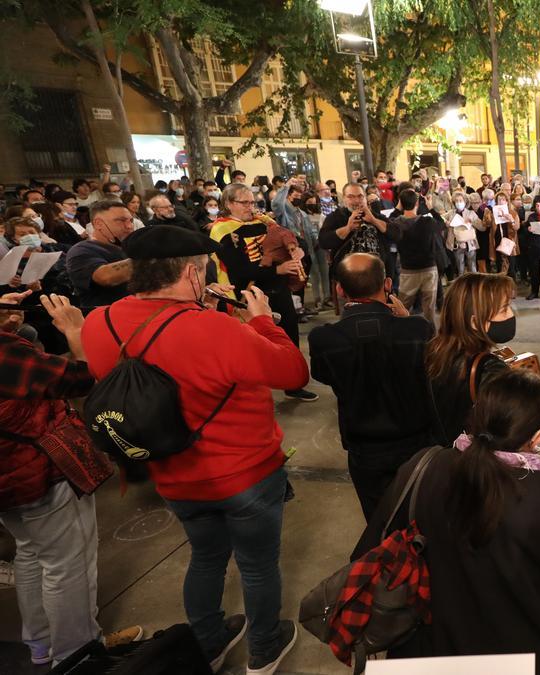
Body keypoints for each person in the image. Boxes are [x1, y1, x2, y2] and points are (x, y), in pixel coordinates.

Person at [80, 225, 310, 674]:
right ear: (190, 273)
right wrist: (261, 319)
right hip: (244, 472)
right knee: (258, 564)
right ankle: (264, 648)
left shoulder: (98, 323)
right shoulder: (216, 328)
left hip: (172, 473)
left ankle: (207, 644)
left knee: (205, 557)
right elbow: (292, 372)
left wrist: (198, 311)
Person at [354, 370, 540, 674]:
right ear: (537, 436)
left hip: (438, 651)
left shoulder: (425, 466)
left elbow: (372, 547)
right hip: (533, 656)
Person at [0, 290, 144, 667]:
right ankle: (79, 655)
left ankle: (42, 643)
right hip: (36, 472)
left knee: (32, 553)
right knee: (69, 563)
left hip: (9, 482)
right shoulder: (5, 353)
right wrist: (74, 330)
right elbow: (84, 377)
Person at [309, 253, 437, 520]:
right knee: (422, 514)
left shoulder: (324, 338)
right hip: (417, 443)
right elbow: (434, 368)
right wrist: (405, 321)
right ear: (388, 284)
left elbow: (324, 375)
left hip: (364, 447)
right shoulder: (416, 329)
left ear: (340, 289)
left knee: (379, 519)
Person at [210, 184, 318, 402]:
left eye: (253, 202)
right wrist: (277, 269)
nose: (251, 207)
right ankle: (255, 391)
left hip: (277, 288)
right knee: (253, 342)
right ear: (229, 204)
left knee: (288, 334)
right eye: (245, 203)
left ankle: (293, 382)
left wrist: (297, 248)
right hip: (246, 294)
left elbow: (290, 237)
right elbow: (238, 270)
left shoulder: (263, 222)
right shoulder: (222, 230)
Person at [425, 273, 516, 445]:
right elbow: (510, 432)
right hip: (476, 464)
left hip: (443, 456)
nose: (511, 314)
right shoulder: (489, 368)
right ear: (475, 323)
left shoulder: (435, 351)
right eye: (504, 309)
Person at [64, 200, 133, 312]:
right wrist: (151, 258)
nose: (129, 226)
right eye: (121, 221)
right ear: (98, 224)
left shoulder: (131, 247)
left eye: (131, 220)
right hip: (107, 317)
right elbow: (105, 277)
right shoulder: (82, 250)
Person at [390, 188, 444, 325]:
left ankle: (400, 335)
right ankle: (430, 336)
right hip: (429, 269)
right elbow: (442, 224)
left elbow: (387, 223)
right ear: (417, 204)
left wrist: (398, 208)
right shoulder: (428, 222)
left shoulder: (397, 224)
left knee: (402, 306)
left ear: (400, 203)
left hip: (408, 270)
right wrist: (431, 208)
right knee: (429, 309)